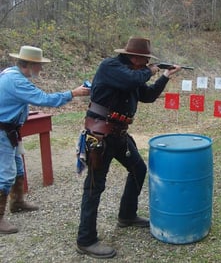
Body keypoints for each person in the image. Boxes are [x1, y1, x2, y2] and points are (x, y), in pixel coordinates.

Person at [76, 37, 181, 259]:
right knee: (94, 187)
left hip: (119, 135)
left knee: (138, 170)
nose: (145, 65)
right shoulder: (112, 67)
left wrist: (164, 75)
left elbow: (148, 96)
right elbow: (130, 80)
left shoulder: (134, 74)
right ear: (135, 58)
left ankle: (127, 215)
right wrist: (151, 70)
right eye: (144, 61)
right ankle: (85, 239)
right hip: (100, 135)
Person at [0, 45, 91, 234]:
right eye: (39, 65)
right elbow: (45, 99)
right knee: (5, 175)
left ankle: (17, 202)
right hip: (3, 131)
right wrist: (73, 93)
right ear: (30, 64)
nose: (41, 69)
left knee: (17, 167)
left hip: (9, 130)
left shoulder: (12, 74)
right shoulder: (16, 80)